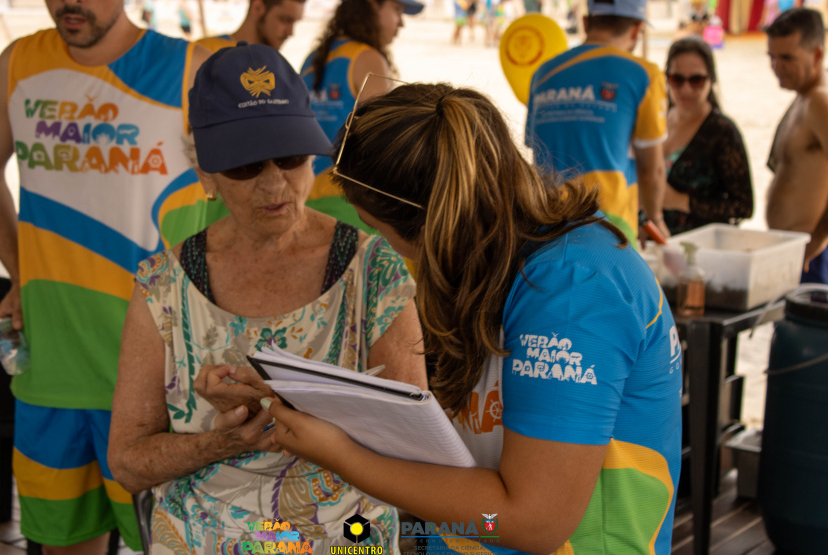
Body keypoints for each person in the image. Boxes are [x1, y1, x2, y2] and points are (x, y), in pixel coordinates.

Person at [260, 82, 682, 555]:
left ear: (432, 225)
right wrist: (305, 396)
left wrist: (343, 456)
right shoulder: (490, 257)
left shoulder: (572, 289)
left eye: (376, 228)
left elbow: (534, 522)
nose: (385, 246)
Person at [108, 43, 427, 554]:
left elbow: (413, 445)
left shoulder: (373, 272)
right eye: (245, 166)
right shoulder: (163, 286)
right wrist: (221, 441)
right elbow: (127, 463)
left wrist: (286, 408)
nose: (275, 183)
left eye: (293, 157)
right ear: (205, 175)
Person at [0, 0, 215, 551]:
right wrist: (20, 276)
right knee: (64, 544)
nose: (68, 3)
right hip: (51, 371)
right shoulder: (18, 62)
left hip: (155, 378)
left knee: (168, 543)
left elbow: (238, 197)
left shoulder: (189, 69)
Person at [525, 0, 670, 247]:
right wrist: (654, 218)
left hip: (545, 227)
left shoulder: (543, 74)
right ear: (636, 30)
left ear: (585, 23)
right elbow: (652, 169)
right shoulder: (644, 74)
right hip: (610, 229)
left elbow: (535, 151)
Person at [299, 0, 424, 232]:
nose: (402, 23)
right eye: (397, 10)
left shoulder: (313, 59)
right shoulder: (367, 58)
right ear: (373, 5)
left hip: (305, 197)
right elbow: (381, 143)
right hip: (351, 202)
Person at [662, 37, 753, 235]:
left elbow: (744, 206)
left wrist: (680, 201)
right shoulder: (656, 120)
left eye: (696, 80)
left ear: (711, 80)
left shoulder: (722, 132)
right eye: (677, 79)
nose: (686, 89)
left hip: (700, 251)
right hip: (654, 246)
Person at [765, 8, 828, 283]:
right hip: (792, 250)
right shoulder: (803, 97)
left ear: (816, 55)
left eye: (787, 58)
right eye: (772, 57)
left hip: (811, 258)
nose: (777, 66)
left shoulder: (819, 101)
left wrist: (816, 241)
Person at [197, 0, 306, 53]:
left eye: (295, 22)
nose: (290, 32)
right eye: (285, 20)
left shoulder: (276, 64)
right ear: (258, 8)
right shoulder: (205, 51)